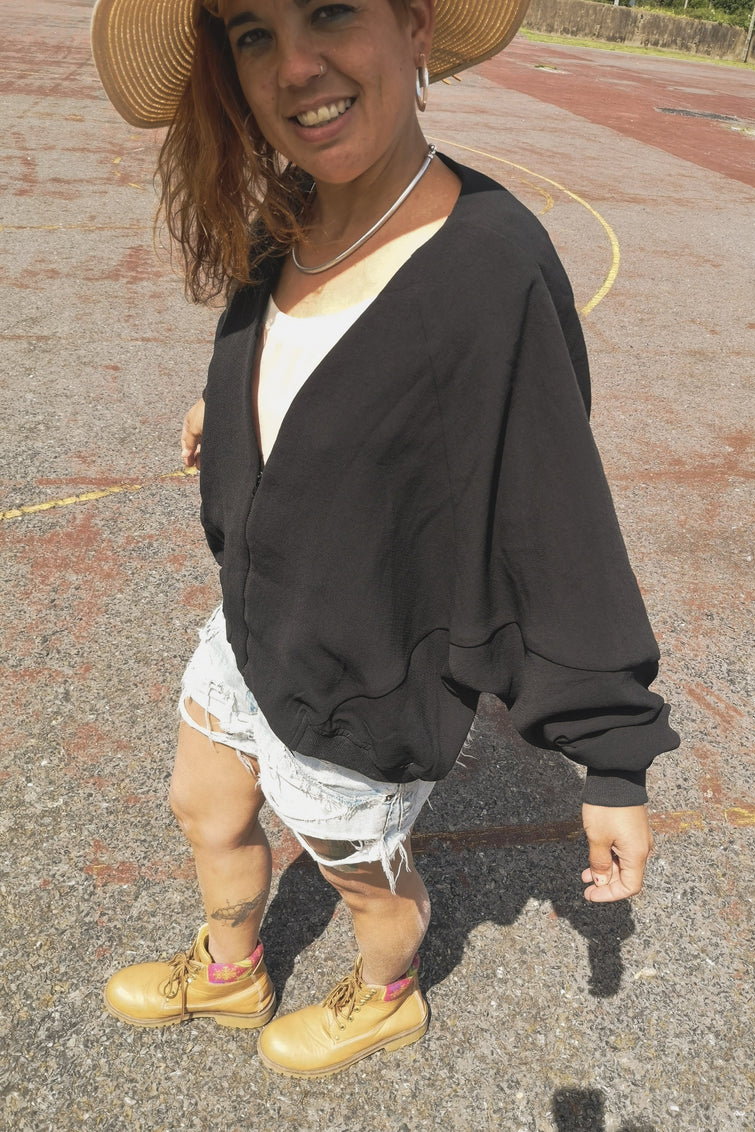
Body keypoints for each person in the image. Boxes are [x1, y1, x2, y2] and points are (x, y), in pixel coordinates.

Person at [91, 0, 680, 1079]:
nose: (294, 65)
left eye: (329, 9)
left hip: (369, 659)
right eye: (252, 32)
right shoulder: (290, 213)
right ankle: (230, 971)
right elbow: (293, 362)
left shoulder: (489, 266)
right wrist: (229, 407)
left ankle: (386, 991)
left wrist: (612, 761)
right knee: (203, 802)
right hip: (259, 616)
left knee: (359, 875)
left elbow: (553, 516)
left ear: (415, 28)